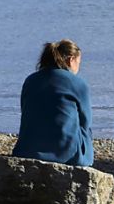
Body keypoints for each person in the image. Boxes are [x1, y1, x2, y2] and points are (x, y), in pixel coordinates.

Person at [12, 39, 94, 167]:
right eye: (79, 62)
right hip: (66, 154)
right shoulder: (77, 83)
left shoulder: (31, 80)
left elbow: (25, 110)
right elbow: (86, 121)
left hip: (27, 150)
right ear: (71, 60)